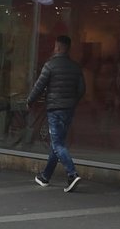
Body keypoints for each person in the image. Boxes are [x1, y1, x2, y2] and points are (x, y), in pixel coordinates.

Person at [26, 34, 85, 192]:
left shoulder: (50, 65)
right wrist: (72, 101)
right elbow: (81, 89)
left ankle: (72, 174)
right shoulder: (75, 67)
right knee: (56, 143)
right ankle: (45, 176)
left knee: (58, 144)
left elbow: (39, 86)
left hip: (54, 109)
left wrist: (29, 101)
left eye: (55, 46)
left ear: (58, 47)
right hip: (68, 110)